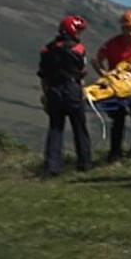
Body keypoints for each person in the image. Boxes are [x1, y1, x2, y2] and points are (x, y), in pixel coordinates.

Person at [91, 10, 131, 162]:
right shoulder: (112, 44)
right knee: (118, 122)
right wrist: (105, 76)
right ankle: (115, 155)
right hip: (119, 88)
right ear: (122, 28)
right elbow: (96, 59)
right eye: (128, 28)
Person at [38, 15, 92, 176]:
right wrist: (82, 91)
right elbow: (81, 73)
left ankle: (52, 167)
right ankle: (84, 162)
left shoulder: (46, 50)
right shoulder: (79, 50)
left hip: (54, 89)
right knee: (79, 127)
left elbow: (43, 75)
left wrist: (46, 95)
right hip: (72, 88)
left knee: (55, 128)